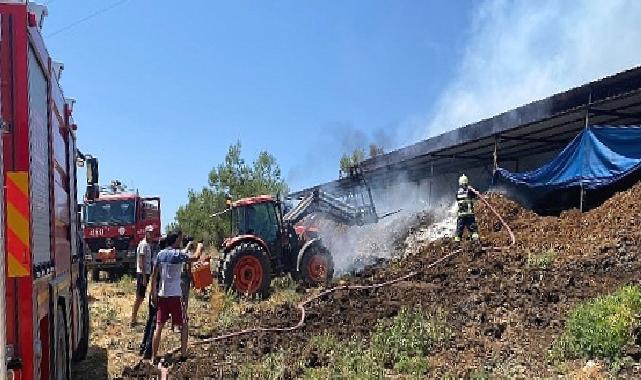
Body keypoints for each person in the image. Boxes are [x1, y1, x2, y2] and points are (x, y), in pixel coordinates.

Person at [150, 229, 203, 364]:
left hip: (162, 295)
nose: (181, 240)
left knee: (159, 326)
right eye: (180, 238)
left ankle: (153, 357)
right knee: (184, 324)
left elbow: (154, 276)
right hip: (175, 295)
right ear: (177, 239)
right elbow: (196, 257)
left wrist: (153, 294)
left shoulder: (160, 254)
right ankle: (184, 354)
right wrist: (200, 247)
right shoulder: (178, 254)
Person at [140, 235, 166, 359]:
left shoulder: (157, 257)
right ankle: (147, 351)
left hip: (153, 294)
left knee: (150, 321)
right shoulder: (161, 260)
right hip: (156, 295)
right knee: (154, 323)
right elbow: (155, 279)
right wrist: (155, 295)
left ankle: (143, 348)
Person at [131, 225, 154, 327]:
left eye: (152, 232)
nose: (151, 234)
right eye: (150, 232)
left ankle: (134, 318)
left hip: (147, 273)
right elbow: (141, 262)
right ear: (146, 233)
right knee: (139, 296)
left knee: (141, 296)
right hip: (142, 273)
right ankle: (133, 318)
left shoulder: (149, 245)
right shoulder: (143, 245)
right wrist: (144, 277)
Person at [454, 174, 480, 242]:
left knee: (459, 230)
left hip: (461, 215)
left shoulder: (457, 193)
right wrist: (473, 189)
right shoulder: (469, 191)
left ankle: (457, 243)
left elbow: (458, 199)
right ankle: (475, 242)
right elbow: (477, 195)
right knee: (473, 230)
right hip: (469, 215)